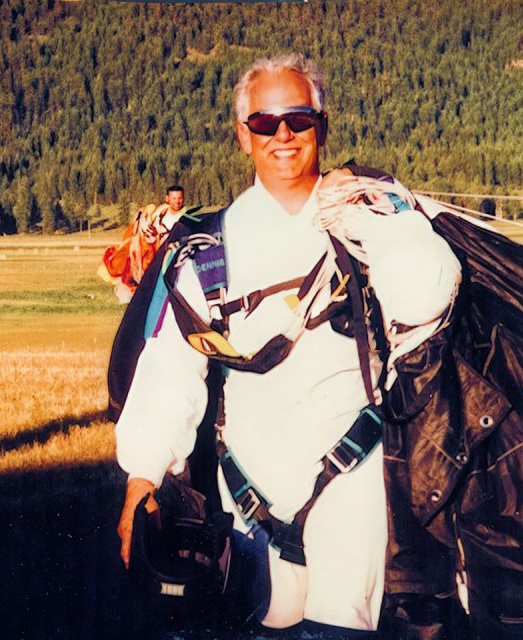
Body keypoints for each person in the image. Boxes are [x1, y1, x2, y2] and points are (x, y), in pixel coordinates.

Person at [113, 54, 462, 637]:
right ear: (242, 136)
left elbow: (430, 289)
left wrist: (378, 209)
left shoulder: (364, 215)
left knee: (337, 627)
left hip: (351, 479)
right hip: (248, 488)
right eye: (263, 123)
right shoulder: (209, 251)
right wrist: (142, 475)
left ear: (320, 127)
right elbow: (173, 365)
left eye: (298, 120)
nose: (282, 135)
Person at [99, 185, 193, 303]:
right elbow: (147, 221)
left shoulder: (185, 217)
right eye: (174, 198)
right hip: (155, 253)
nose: (177, 201)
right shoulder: (161, 213)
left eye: (179, 198)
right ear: (167, 199)